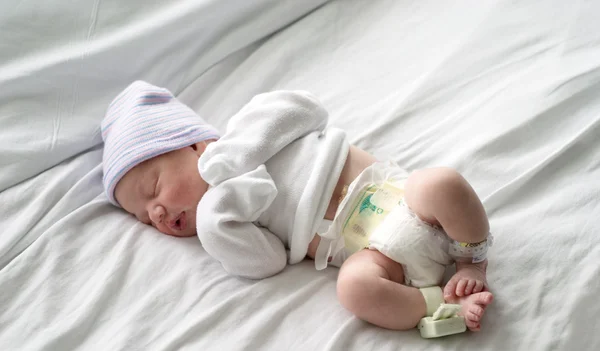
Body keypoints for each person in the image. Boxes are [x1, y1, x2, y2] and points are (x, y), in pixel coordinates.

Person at [101, 81, 494, 332]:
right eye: (143, 216)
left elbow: (306, 108)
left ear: (194, 144)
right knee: (353, 290)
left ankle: (470, 257)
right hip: (374, 255)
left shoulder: (250, 129)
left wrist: (238, 153)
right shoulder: (226, 212)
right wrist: (214, 220)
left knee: (441, 182)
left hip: (407, 200)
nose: (155, 213)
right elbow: (267, 261)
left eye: (152, 188)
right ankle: (441, 303)